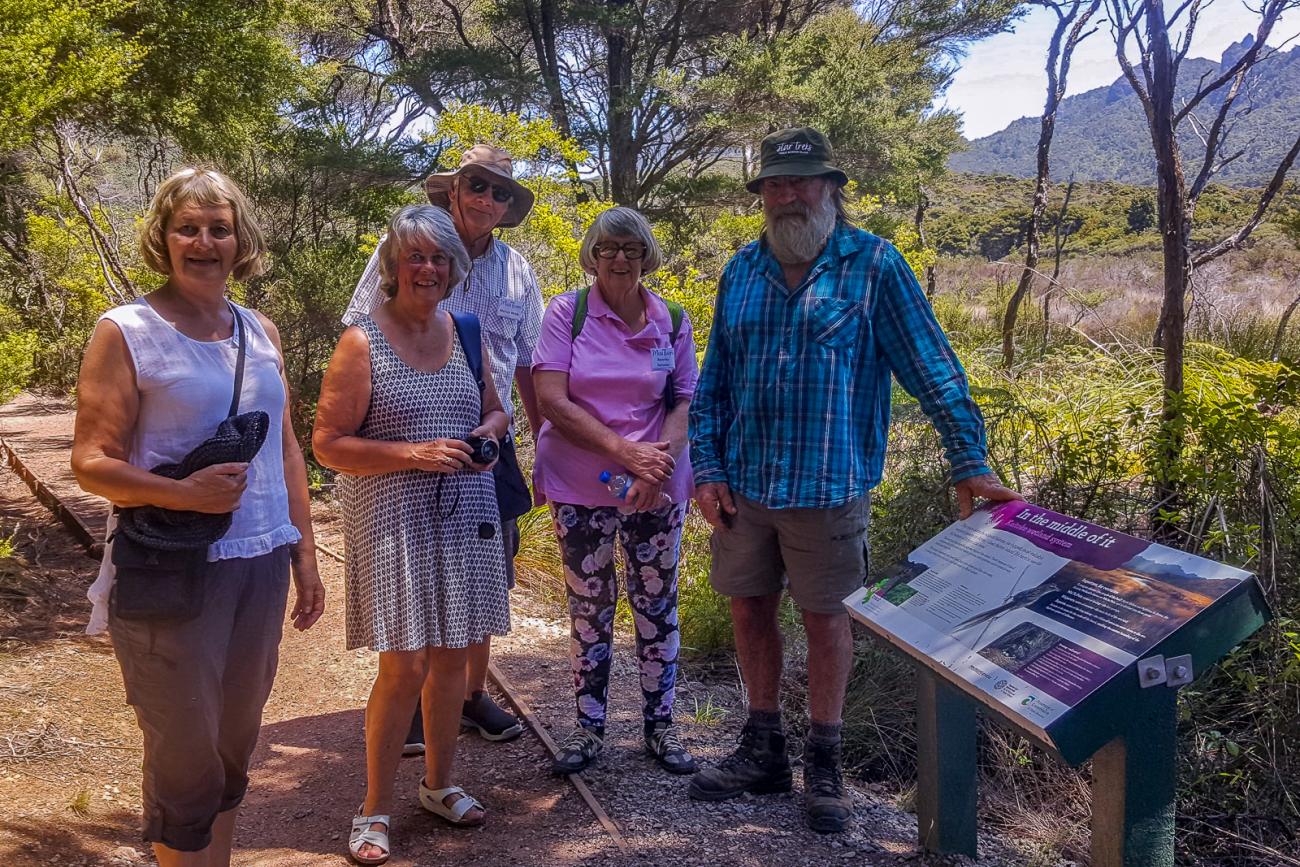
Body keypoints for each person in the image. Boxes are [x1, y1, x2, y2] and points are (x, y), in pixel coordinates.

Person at [686, 127, 1023, 832]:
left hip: (829, 488)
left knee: (826, 618)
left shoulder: (873, 265)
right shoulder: (741, 270)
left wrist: (970, 458)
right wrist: (707, 469)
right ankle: (763, 748)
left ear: (831, 188)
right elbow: (712, 381)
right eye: (774, 184)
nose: (786, 195)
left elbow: (931, 364)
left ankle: (826, 763)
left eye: (801, 181)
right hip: (745, 485)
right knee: (749, 608)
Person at [71, 167, 325, 867]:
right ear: (164, 236)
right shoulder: (126, 332)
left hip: (261, 564)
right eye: (188, 227)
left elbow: (286, 446)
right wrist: (185, 494)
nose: (204, 241)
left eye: (219, 227)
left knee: (233, 746)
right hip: (171, 570)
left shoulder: (260, 328)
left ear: (240, 239)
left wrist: (303, 551)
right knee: (185, 755)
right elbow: (91, 461)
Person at [314, 204, 511, 864]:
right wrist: (413, 453)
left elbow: (493, 407)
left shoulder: (465, 330)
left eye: (439, 258)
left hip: (464, 512)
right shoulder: (362, 341)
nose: (427, 268)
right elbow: (328, 444)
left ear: (455, 268)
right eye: (414, 257)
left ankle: (439, 784)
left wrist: (490, 431)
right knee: (403, 667)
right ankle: (372, 807)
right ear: (394, 266)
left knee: (453, 659)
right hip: (394, 521)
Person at [344, 144, 542, 750]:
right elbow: (360, 329)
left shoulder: (518, 272)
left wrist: (530, 434)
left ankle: (468, 696)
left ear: (509, 205)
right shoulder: (404, 248)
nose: (487, 199)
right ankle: (409, 699)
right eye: (476, 186)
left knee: (485, 573)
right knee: (409, 570)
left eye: (500, 191)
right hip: (401, 436)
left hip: (488, 435)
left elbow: (528, 363)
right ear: (452, 191)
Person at [532, 206, 699, 775]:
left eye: (630, 248)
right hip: (583, 485)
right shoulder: (567, 314)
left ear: (647, 253)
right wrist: (624, 453)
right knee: (589, 608)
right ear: (592, 255)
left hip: (654, 489)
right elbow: (552, 397)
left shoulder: (671, 320)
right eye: (608, 248)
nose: (620, 258)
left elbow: (682, 400)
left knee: (657, 606)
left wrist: (656, 467)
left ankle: (661, 728)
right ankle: (587, 729)